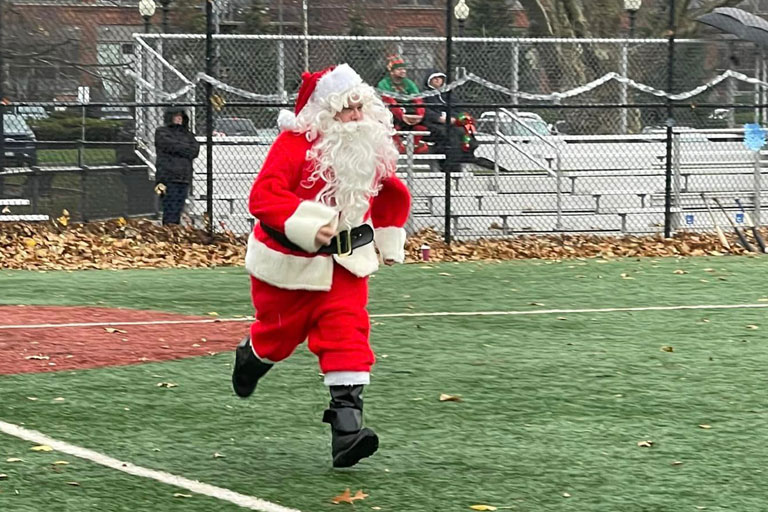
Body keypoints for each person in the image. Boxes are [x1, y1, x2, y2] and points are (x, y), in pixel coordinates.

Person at [231, 63, 411, 468]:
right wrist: (310, 225)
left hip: (347, 264)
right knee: (278, 336)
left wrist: (386, 235)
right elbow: (263, 198)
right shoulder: (293, 146)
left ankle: (347, 432)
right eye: (348, 110)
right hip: (288, 269)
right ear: (325, 113)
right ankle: (252, 356)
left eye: (360, 108)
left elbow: (389, 193)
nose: (357, 118)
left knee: (348, 335)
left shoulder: (369, 147)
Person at [421, 68, 478, 172]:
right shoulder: (424, 95)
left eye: (440, 78)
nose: (438, 80)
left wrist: (457, 118)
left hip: (451, 123)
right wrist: (439, 118)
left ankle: (464, 159)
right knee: (449, 134)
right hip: (435, 123)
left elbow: (458, 109)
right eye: (435, 78)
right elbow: (424, 111)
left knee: (464, 131)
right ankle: (449, 166)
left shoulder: (448, 94)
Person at [153, 106, 200, 225]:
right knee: (170, 208)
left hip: (184, 177)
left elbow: (194, 150)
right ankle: (168, 231)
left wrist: (181, 148)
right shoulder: (162, 132)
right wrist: (184, 148)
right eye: (176, 116)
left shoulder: (188, 134)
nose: (179, 119)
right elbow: (169, 146)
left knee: (179, 207)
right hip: (168, 177)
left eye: (180, 116)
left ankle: (175, 231)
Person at [376, 55, 428, 154]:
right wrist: (402, 116)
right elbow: (389, 101)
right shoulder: (384, 83)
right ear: (391, 72)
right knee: (389, 121)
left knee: (423, 125)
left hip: (409, 111)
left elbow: (418, 99)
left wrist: (419, 115)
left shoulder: (409, 83)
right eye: (399, 69)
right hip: (392, 112)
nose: (403, 71)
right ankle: (398, 146)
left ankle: (414, 146)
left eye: (404, 69)